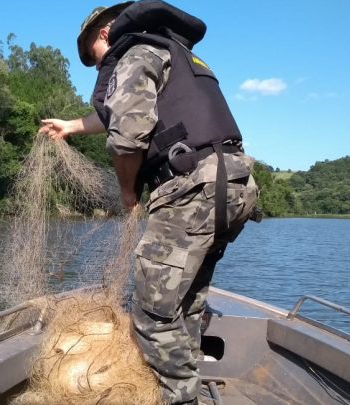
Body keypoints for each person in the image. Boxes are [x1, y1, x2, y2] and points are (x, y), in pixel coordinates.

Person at [39, 1, 259, 403]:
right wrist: (71, 126)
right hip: (235, 187)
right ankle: (188, 380)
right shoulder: (172, 50)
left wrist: (127, 191)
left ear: (104, 35)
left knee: (151, 319)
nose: (98, 65)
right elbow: (125, 111)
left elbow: (125, 138)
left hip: (190, 190)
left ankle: (180, 398)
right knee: (186, 303)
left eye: (94, 57)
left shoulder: (132, 51)